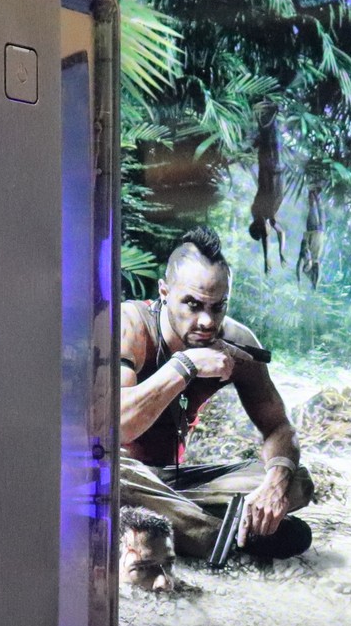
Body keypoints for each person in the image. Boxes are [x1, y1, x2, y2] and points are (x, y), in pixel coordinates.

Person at [119, 227, 314, 562]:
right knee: (104, 472)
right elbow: (116, 426)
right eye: (193, 305)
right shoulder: (130, 324)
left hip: (174, 485)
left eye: (218, 307)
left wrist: (275, 484)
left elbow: (279, 427)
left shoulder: (237, 342)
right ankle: (216, 537)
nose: (207, 321)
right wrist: (186, 365)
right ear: (164, 291)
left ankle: (174, 524)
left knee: (296, 479)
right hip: (126, 475)